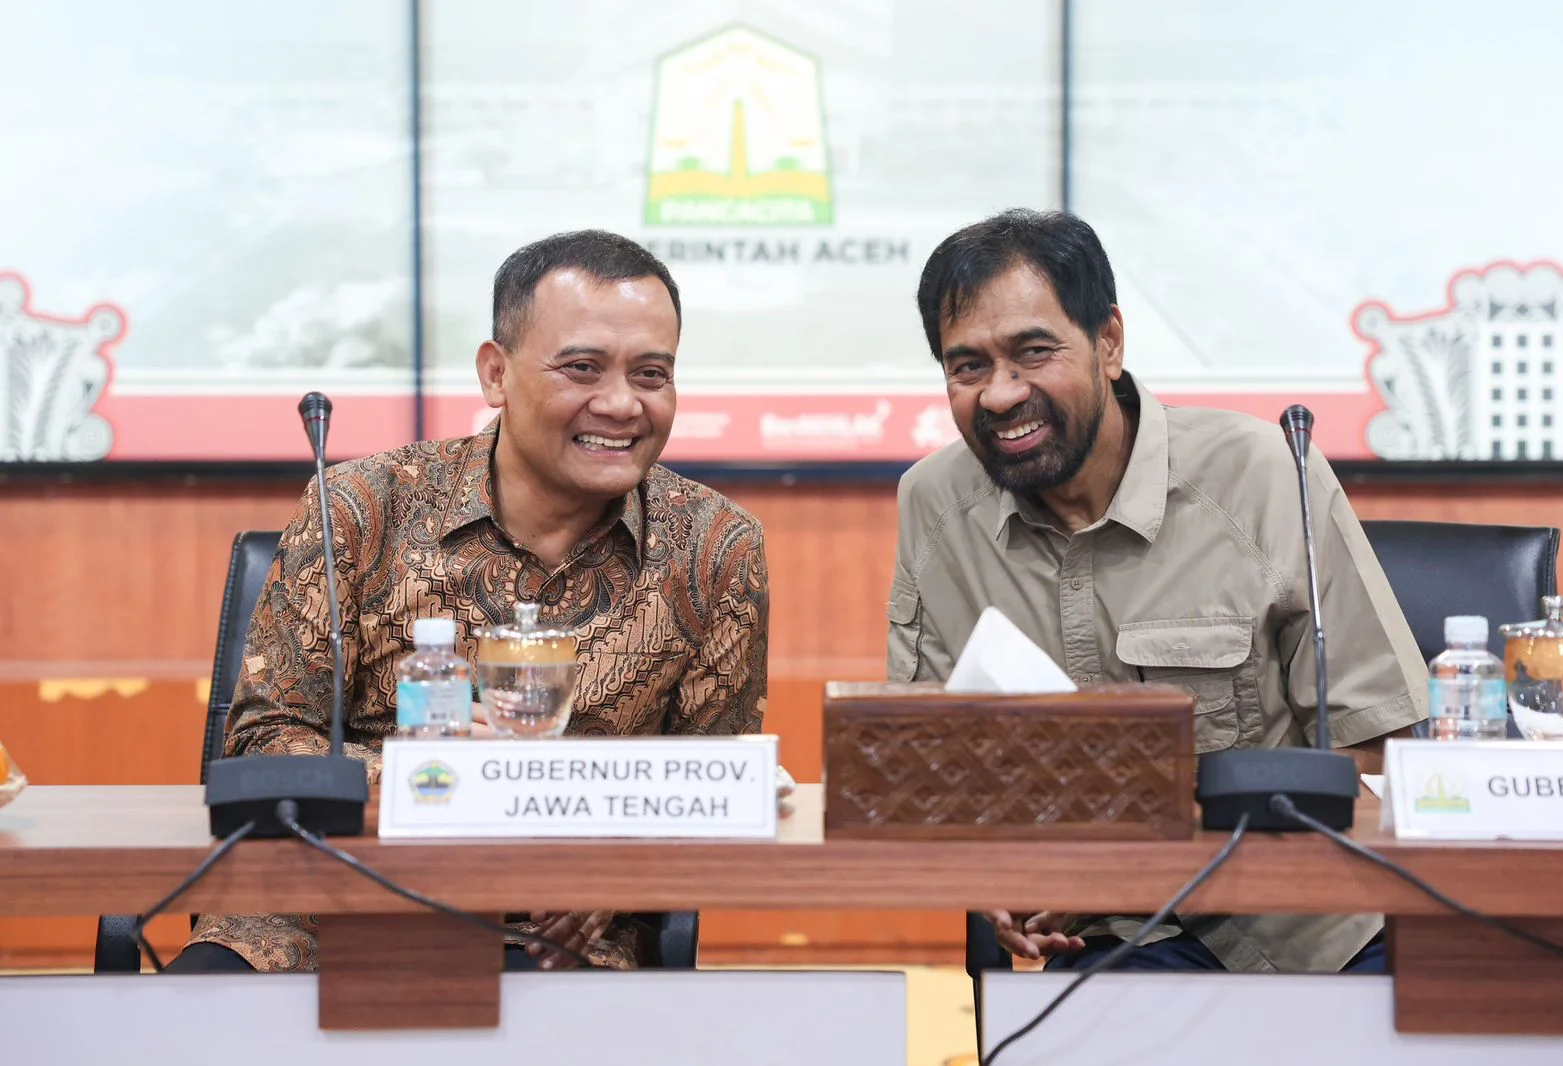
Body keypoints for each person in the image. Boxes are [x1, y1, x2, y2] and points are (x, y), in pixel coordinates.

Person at [172, 230, 769, 973]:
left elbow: (716, 784)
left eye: (652, 374)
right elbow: (264, 742)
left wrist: (614, 867)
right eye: (582, 368)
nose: (621, 404)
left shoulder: (717, 547)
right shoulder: (360, 508)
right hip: (317, 911)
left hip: (555, 932)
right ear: (496, 372)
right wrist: (442, 780)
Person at [888, 208, 1427, 974]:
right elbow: (926, 766)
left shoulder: (1264, 474)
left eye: (1033, 353)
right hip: (1114, 945)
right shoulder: (935, 507)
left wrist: (1128, 864)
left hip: (1310, 936)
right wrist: (994, 885)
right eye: (967, 366)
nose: (1001, 395)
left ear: (1108, 341)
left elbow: (1378, 744)